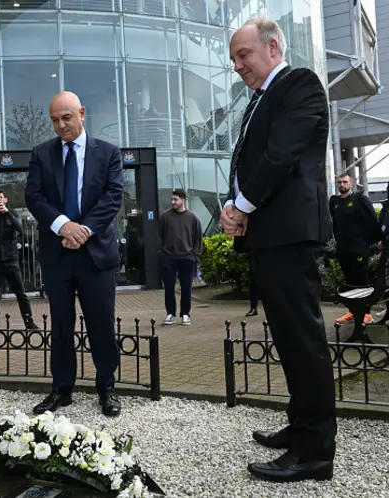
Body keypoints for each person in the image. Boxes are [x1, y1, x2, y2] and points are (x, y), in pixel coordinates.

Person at [220, 19, 336, 482]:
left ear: (272, 46)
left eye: (243, 55)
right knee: (289, 341)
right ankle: (302, 424)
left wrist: (240, 205)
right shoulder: (262, 97)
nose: (237, 66)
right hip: (271, 235)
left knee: (303, 342)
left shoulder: (300, 84)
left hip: (288, 233)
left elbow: (280, 156)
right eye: (233, 58)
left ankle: (314, 452)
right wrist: (234, 207)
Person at [25, 91, 123, 417]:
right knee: (61, 324)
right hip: (58, 254)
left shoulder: (108, 153)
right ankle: (61, 389)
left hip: (95, 254)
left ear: (82, 113)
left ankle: (106, 387)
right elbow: (34, 197)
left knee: (101, 323)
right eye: (54, 120)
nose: (61, 125)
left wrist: (83, 230)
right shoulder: (42, 154)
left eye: (66, 118)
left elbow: (113, 196)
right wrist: (63, 225)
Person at [0, 190, 39, 331]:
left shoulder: (13, 214)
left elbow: (20, 228)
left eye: (1, 198)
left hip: (11, 259)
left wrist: (7, 213)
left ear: (5, 200)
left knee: (20, 292)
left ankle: (28, 321)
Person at [329, 172, 382, 325]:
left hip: (358, 247)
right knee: (349, 282)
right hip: (342, 248)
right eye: (339, 182)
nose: (342, 185)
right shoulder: (335, 202)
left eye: (345, 182)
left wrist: (377, 239)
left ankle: (366, 314)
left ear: (351, 183)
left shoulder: (360, 200)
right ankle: (353, 312)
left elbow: (372, 220)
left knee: (361, 280)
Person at [158, 188, 202, 326]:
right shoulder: (164, 217)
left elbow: (198, 239)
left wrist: (194, 254)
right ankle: (170, 314)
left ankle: (185, 314)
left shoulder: (193, 218)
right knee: (169, 288)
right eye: (172, 199)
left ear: (183, 200)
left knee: (186, 287)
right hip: (168, 258)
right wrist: (161, 253)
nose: (173, 202)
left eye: (176, 199)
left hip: (187, 258)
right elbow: (159, 236)